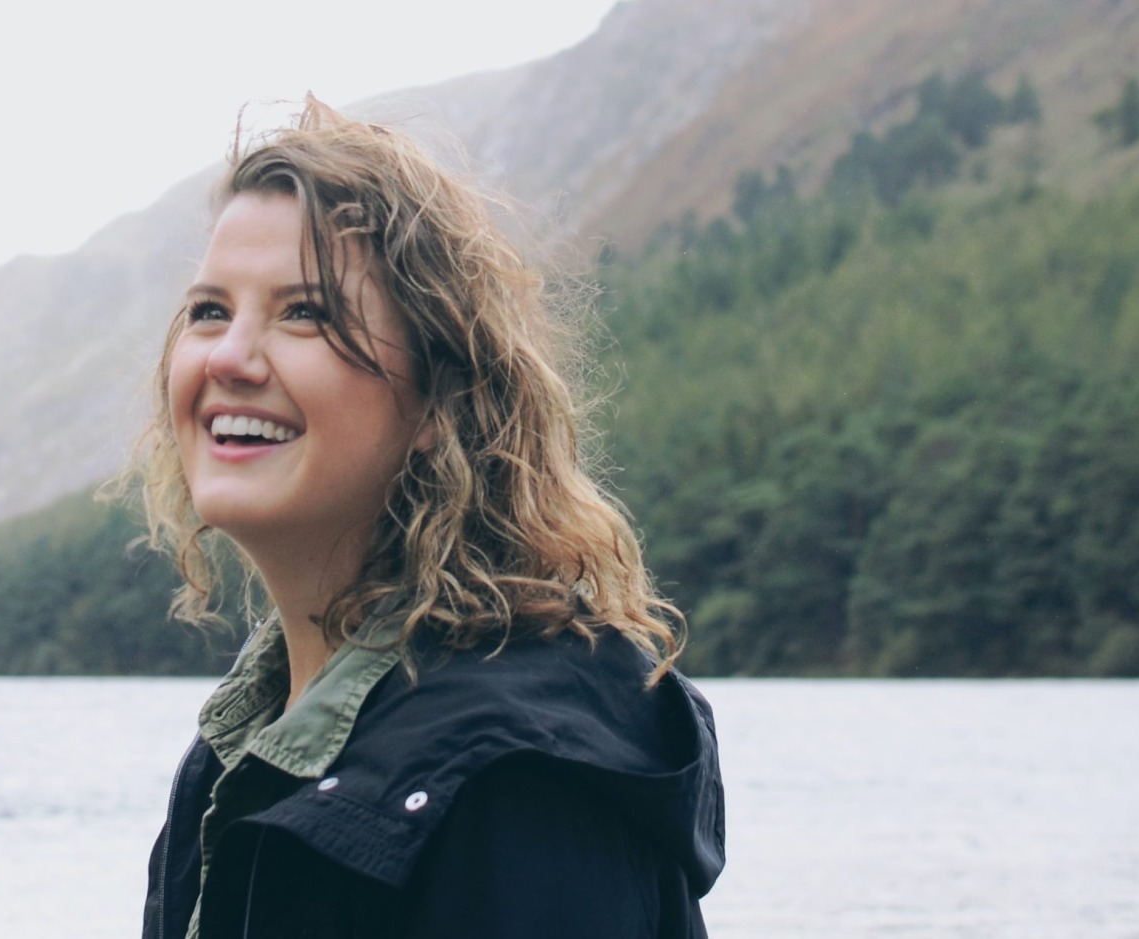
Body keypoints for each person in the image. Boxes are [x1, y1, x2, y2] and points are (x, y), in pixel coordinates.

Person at [127, 97, 726, 939]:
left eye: (305, 311)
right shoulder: (233, 761)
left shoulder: (512, 783)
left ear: (440, 400)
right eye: (209, 310)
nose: (228, 356)